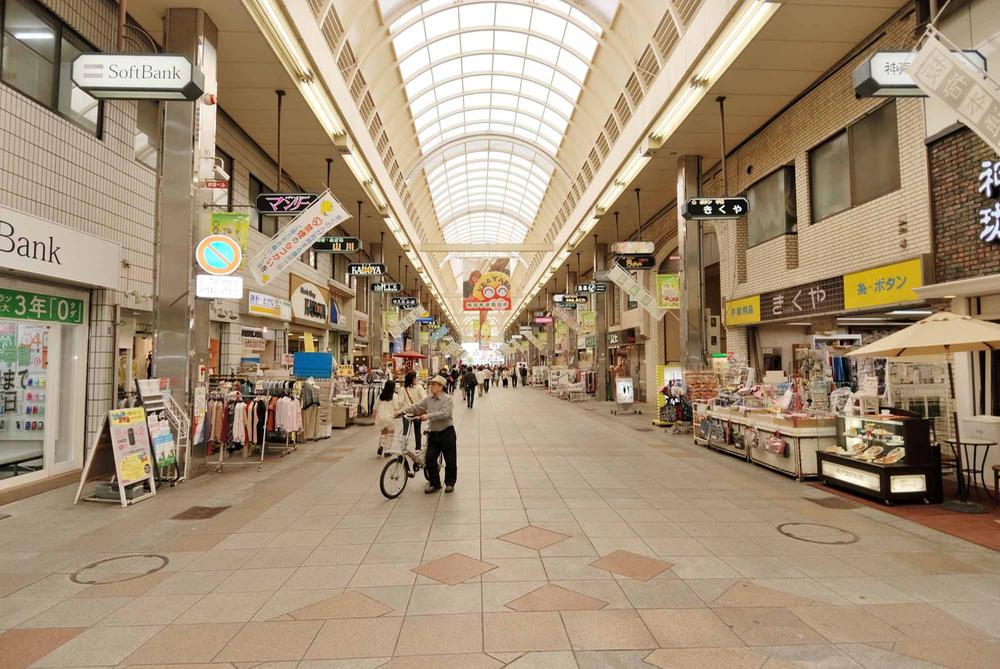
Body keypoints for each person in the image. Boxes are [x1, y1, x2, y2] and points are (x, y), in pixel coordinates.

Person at [399, 375, 457, 493]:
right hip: (434, 434)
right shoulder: (428, 399)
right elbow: (417, 407)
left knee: (450, 460)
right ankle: (435, 483)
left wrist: (428, 416)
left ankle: (450, 483)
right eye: (431, 384)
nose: (431, 386)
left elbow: (445, 413)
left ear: (441, 386)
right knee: (430, 459)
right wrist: (402, 411)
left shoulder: (448, 399)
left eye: (434, 384)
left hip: (447, 432)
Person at [373, 379, 402, 457]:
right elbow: (396, 407)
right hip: (389, 417)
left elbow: (375, 406)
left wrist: (374, 413)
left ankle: (381, 445)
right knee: (390, 434)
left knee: (383, 432)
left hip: (381, 417)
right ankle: (387, 451)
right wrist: (399, 412)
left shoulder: (381, 395)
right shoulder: (394, 396)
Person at [400, 371, 426, 452]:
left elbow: (400, 402)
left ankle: (403, 447)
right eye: (416, 377)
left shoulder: (402, 389)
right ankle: (418, 448)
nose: (417, 379)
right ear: (413, 379)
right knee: (417, 431)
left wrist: (403, 408)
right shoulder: (419, 387)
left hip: (406, 414)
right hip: (417, 413)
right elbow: (424, 399)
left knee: (405, 431)